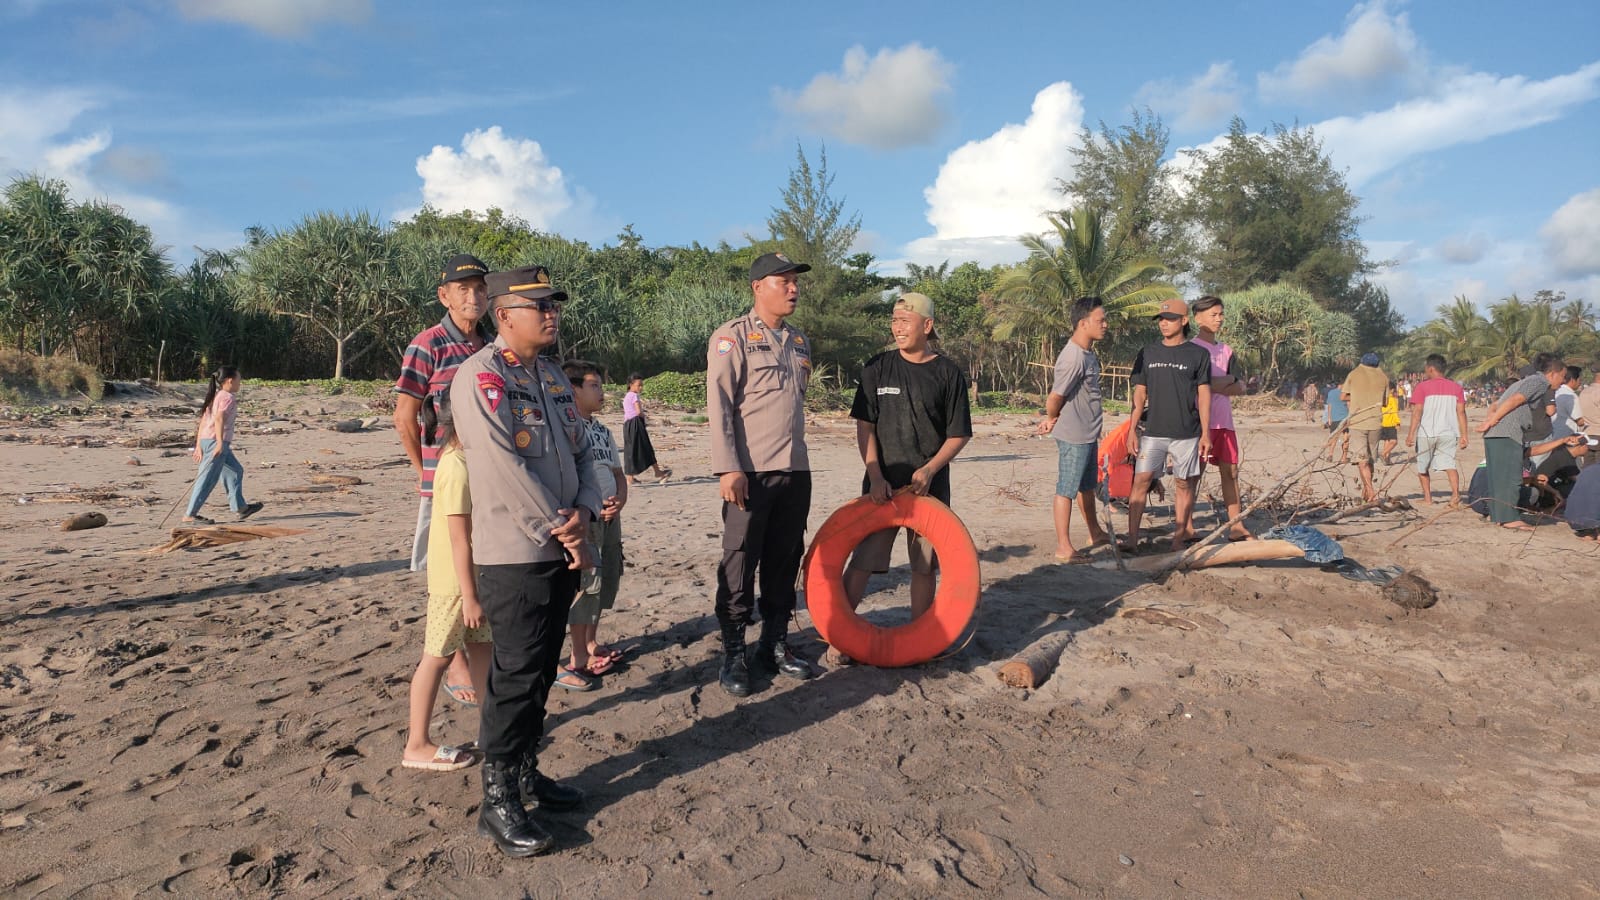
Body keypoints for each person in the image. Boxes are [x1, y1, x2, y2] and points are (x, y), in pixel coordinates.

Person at [450, 265, 599, 858]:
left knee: (540, 671)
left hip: (564, 543)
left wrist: (585, 510)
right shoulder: (480, 377)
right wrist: (563, 529)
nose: (550, 313)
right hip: (517, 552)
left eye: (553, 304)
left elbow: (585, 449)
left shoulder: (554, 379)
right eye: (537, 305)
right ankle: (497, 799)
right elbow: (500, 468)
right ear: (502, 315)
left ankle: (524, 772)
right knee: (514, 678)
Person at [706, 252, 816, 697]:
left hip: (795, 469)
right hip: (749, 473)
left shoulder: (800, 341)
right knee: (739, 562)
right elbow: (720, 407)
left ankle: (772, 643)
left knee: (785, 559)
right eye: (783, 281)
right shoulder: (731, 338)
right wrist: (729, 467)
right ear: (758, 287)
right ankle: (734, 652)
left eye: (795, 282)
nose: (793, 288)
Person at [841, 292, 972, 636]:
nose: (898, 328)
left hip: (928, 490)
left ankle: (920, 636)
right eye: (894, 321)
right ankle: (838, 633)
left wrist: (930, 469)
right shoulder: (877, 367)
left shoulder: (948, 373)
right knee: (863, 561)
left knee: (924, 566)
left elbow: (958, 434)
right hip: (881, 488)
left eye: (906, 321)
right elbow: (864, 426)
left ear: (927, 326)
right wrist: (875, 474)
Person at [393, 253, 490, 704]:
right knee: (446, 578)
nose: (473, 297)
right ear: (445, 296)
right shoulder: (427, 344)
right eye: (463, 289)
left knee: (478, 569)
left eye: (480, 288)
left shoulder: (489, 346)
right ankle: (455, 663)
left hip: (485, 480)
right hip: (445, 477)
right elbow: (404, 416)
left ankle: (472, 655)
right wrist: (424, 472)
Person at [402, 392, 490, 772]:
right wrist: (469, 595)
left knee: (486, 654)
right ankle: (417, 743)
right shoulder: (455, 466)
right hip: (455, 586)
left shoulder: (471, 461)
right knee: (435, 659)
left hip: (476, 578)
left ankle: (493, 730)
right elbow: (458, 538)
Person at [558, 359, 628, 691]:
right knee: (587, 585)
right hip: (586, 517)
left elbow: (617, 474)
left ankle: (591, 643)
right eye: (594, 385)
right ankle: (577, 659)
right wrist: (591, 506)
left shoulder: (602, 430)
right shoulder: (567, 428)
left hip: (610, 517)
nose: (602, 392)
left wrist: (620, 500)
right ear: (573, 389)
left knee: (606, 581)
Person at [1123, 299, 1212, 552]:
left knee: (1184, 484)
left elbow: (1204, 395)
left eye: (1170, 318)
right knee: (1141, 480)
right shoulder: (1148, 353)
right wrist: (1132, 430)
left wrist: (1206, 433)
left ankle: (1178, 539)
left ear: (1184, 321)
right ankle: (1131, 540)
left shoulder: (1198, 354)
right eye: (1161, 319)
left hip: (1187, 432)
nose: (1164, 323)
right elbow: (1139, 394)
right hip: (1153, 432)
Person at [1036, 296, 1111, 563]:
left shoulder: (1087, 353)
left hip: (1088, 434)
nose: (1105, 325)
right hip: (1074, 436)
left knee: (1087, 487)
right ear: (1083, 323)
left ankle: (1095, 532)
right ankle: (1063, 547)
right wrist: (1050, 418)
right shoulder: (1073, 358)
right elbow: (1055, 397)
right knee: (1066, 488)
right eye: (1100, 320)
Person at [1476, 352, 1567, 532]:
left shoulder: (1524, 381)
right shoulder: (1540, 382)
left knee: (1498, 478)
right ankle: (1509, 518)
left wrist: (1492, 421)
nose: (1563, 382)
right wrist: (1492, 420)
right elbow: (1516, 400)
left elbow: (1503, 401)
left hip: (1496, 434)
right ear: (1553, 373)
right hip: (1507, 432)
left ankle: (1499, 516)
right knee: (1510, 477)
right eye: (1563, 377)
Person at [1189, 295, 1252, 541]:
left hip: (1224, 421)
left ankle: (1236, 525)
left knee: (1231, 472)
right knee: (1195, 473)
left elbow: (1240, 386)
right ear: (1197, 318)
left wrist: (1217, 383)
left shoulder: (1227, 351)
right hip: (1199, 421)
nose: (1219, 319)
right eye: (1213, 315)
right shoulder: (1190, 349)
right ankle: (1187, 525)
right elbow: (1193, 385)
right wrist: (1223, 382)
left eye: (1221, 314)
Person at [182, 366, 264, 524]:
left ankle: (241, 508)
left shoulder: (216, 396)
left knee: (235, 471)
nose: (240, 383)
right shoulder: (227, 397)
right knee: (207, 479)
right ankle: (190, 514)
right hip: (216, 442)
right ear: (230, 380)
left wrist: (199, 445)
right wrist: (219, 443)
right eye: (239, 380)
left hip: (209, 441)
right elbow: (218, 419)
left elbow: (204, 422)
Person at [1406, 355, 1469, 506]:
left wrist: (1410, 434)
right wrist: (1464, 435)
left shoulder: (1422, 387)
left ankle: (1428, 498)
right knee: (1449, 464)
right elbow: (1461, 412)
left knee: (1423, 466)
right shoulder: (1456, 388)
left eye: (1426, 368)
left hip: (1426, 433)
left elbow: (1417, 412)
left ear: (1431, 369)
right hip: (1449, 433)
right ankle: (1455, 495)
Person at [1340, 352, 1389, 501]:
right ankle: (1367, 493)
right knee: (1370, 460)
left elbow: (1343, 396)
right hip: (1375, 422)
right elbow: (1385, 402)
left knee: (1362, 460)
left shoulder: (1354, 374)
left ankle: (1371, 491)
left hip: (1358, 422)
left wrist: (1356, 397)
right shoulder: (1384, 377)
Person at [622, 373, 671, 484]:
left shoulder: (626, 396)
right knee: (646, 448)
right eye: (639, 385)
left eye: (641, 385)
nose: (641, 387)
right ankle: (658, 472)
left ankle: (630, 477)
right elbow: (639, 411)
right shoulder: (634, 396)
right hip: (636, 424)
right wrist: (645, 418)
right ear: (631, 385)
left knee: (631, 450)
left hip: (627, 425)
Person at [1552, 366, 1587, 440]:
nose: (1580, 383)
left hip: (1554, 433)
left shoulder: (1556, 391)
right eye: (1579, 380)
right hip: (1566, 435)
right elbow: (1579, 421)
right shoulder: (1570, 396)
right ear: (1572, 380)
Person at [1324, 383, 1350, 462]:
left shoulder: (1331, 392)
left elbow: (1329, 405)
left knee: (1334, 437)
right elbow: (1349, 405)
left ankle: (1330, 454)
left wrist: (1329, 417)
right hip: (1344, 417)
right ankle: (1344, 457)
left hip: (1334, 417)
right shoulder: (1346, 393)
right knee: (1346, 437)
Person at [1379, 382, 1402, 464]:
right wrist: (1398, 423)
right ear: (1392, 390)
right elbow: (1395, 412)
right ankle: (1383, 453)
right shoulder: (1393, 399)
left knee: (1387, 441)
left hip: (1383, 423)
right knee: (1394, 441)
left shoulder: (1383, 399)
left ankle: (1387, 459)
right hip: (1391, 422)